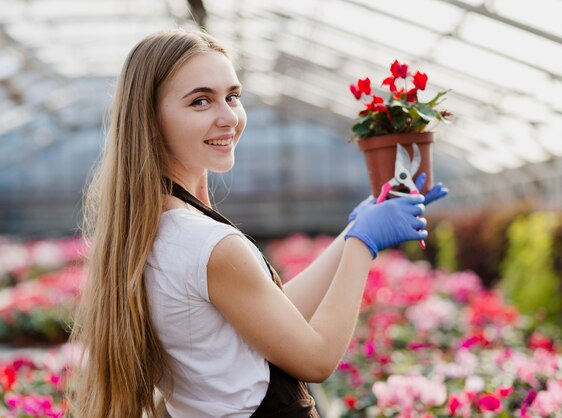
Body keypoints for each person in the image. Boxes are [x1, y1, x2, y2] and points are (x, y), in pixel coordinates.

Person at [68, 28, 448, 418]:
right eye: (201, 101)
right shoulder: (208, 244)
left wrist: (353, 228)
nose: (228, 117)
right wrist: (363, 244)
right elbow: (316, 360)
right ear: (150, 120)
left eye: (232, 97)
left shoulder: (157, 230)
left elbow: (275, 314)